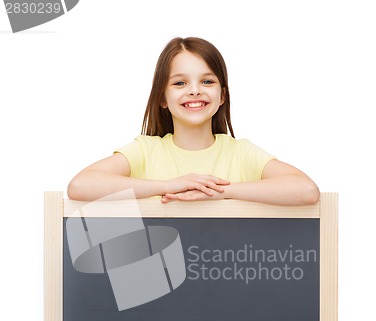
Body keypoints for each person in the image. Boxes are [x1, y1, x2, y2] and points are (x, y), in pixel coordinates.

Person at [67, 37, 319, 205]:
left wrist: (219, 192)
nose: (195, 91)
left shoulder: (240, 153)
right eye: (180, 83)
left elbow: (306, 190)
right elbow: (80, 186)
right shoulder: (145, 151)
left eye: (207, 81)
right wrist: (169, 186)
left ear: (222, 96)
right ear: (162, 98)